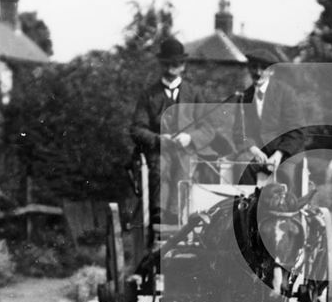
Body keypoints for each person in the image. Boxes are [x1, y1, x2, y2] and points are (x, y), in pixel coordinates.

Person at [129, 37, 216, 223]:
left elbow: (208, 129)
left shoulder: (195, 93)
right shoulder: (149, 95)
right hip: (158, 150)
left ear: (183, 66)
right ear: (161, 64)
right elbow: (137, 128)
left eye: (175, 64)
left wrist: (189, 138)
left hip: (187, 150)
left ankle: (179, 216)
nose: (171, 69)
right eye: (167, 64)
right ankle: (159, 216)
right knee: (160, 166)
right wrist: (159, 139)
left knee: (185, 165)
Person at [232, 48, 305, 193]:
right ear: (249, 68)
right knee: (242, 164)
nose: (258, 73)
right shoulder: (244, 96)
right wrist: (253, 149)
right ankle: (247, 210)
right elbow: (240, 131)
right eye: (254, 67)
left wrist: (278, 154)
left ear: (272, 71)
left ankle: (285, 213)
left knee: (285, 173)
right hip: (257, 151)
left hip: (285, 152)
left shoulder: (286, 93)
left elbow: (295, 131)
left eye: (263, 68)